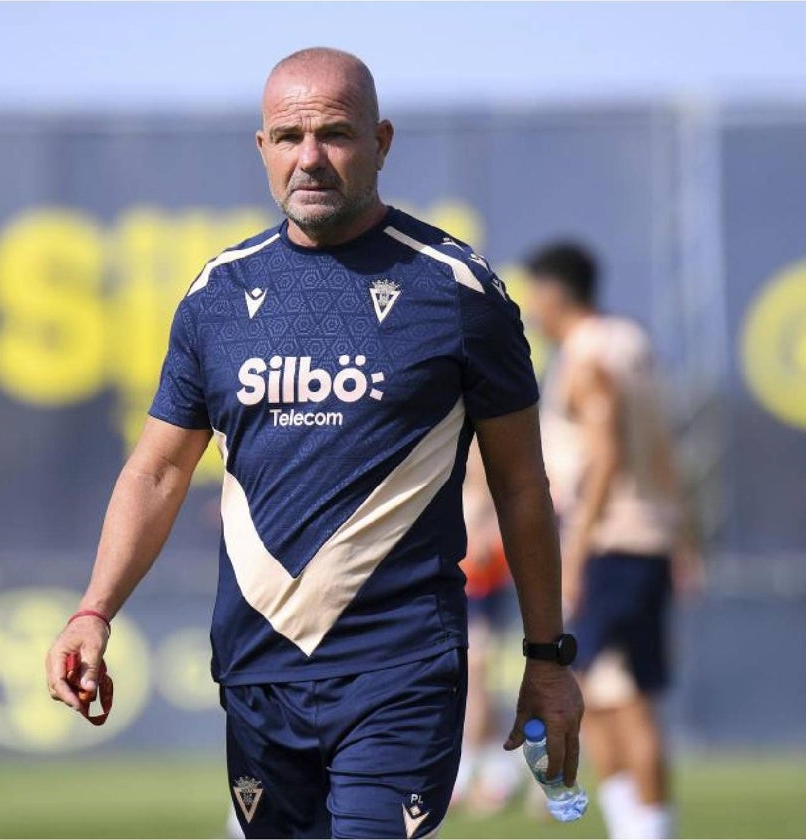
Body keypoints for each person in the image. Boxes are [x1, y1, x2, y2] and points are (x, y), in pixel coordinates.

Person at [47, 47, 583, 839]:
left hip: (399, 668)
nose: (311, 158)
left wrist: (547, 656)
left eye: (335, 134)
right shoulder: (214, 296)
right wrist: (94, 610)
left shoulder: (459, 290)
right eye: (289, 136)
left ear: (382, 141)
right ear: (260, 148)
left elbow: (522, 486)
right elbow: (158, 471)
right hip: (259, 670)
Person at [526, 242, 701, 839]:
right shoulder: (633, 344)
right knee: (604, 693)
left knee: (618, 699)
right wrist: (684, 537)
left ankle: (647, 831)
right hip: (646, 537)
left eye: (534, 295)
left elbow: (605, 454)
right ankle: (635, 828)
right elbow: (663, 454)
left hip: (610, 543)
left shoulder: (589, 355)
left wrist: (574, 550)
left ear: (554, 293)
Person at [450, 441, 522, 815]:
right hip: (464, 574)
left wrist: (481, 532)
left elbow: (493, 497)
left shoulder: (480, 443)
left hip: (479, 577)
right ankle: (500, 770)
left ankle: (462, 775)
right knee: (470, 677)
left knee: (474, 675)